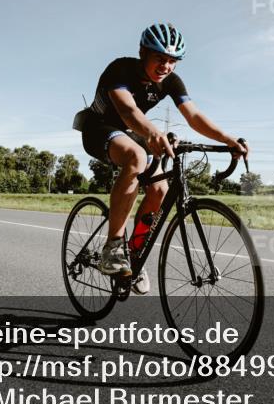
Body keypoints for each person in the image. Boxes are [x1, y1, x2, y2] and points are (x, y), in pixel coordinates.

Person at [76, 23, 248, 295]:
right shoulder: (120, 69)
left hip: (132, 131)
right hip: (99, 129)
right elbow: (127, 110)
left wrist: (228, 140)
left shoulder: (170, 82)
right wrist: (153, 133)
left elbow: (194, 117)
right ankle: (113, 248)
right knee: (136, 155)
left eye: (172, 61)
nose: (166, 67)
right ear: (143, 52)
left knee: (160, 188)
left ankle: (134, 254)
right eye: (160, 58)